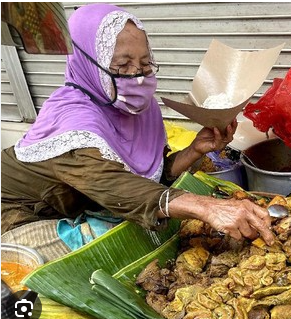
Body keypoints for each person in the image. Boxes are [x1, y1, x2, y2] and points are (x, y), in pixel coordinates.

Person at [1, 3, 274, 260]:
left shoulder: (135, 109)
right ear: (87, 65)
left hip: (82, 206)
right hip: (20, 215)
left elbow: (148, 177)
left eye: (145, 64)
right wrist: (206, 207)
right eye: (122, 66)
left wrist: (194, 150)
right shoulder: (71, 124)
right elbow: (113, 184)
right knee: (115, 249)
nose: (139, 77)